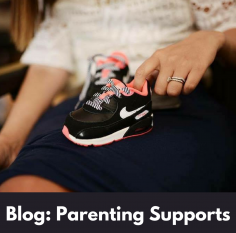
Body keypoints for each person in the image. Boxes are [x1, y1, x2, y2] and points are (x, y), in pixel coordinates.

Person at [0, 0, 236, 192]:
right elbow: (48, 65)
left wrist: (213, 38)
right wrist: (9, 140)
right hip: (88, 101)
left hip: (177, 102)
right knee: (25, 189)